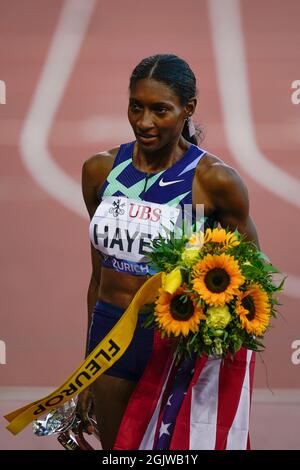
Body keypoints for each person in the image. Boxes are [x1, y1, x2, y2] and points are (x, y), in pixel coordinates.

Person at [78, 54, 259, 450]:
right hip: (113, 339)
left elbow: (252, 279)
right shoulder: (100, 172)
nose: (144, 122)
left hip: (176, 343)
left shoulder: (213, 181)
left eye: (160, 110)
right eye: (136, 107)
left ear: (187, 109)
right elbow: (99, 276)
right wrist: (87, 370)